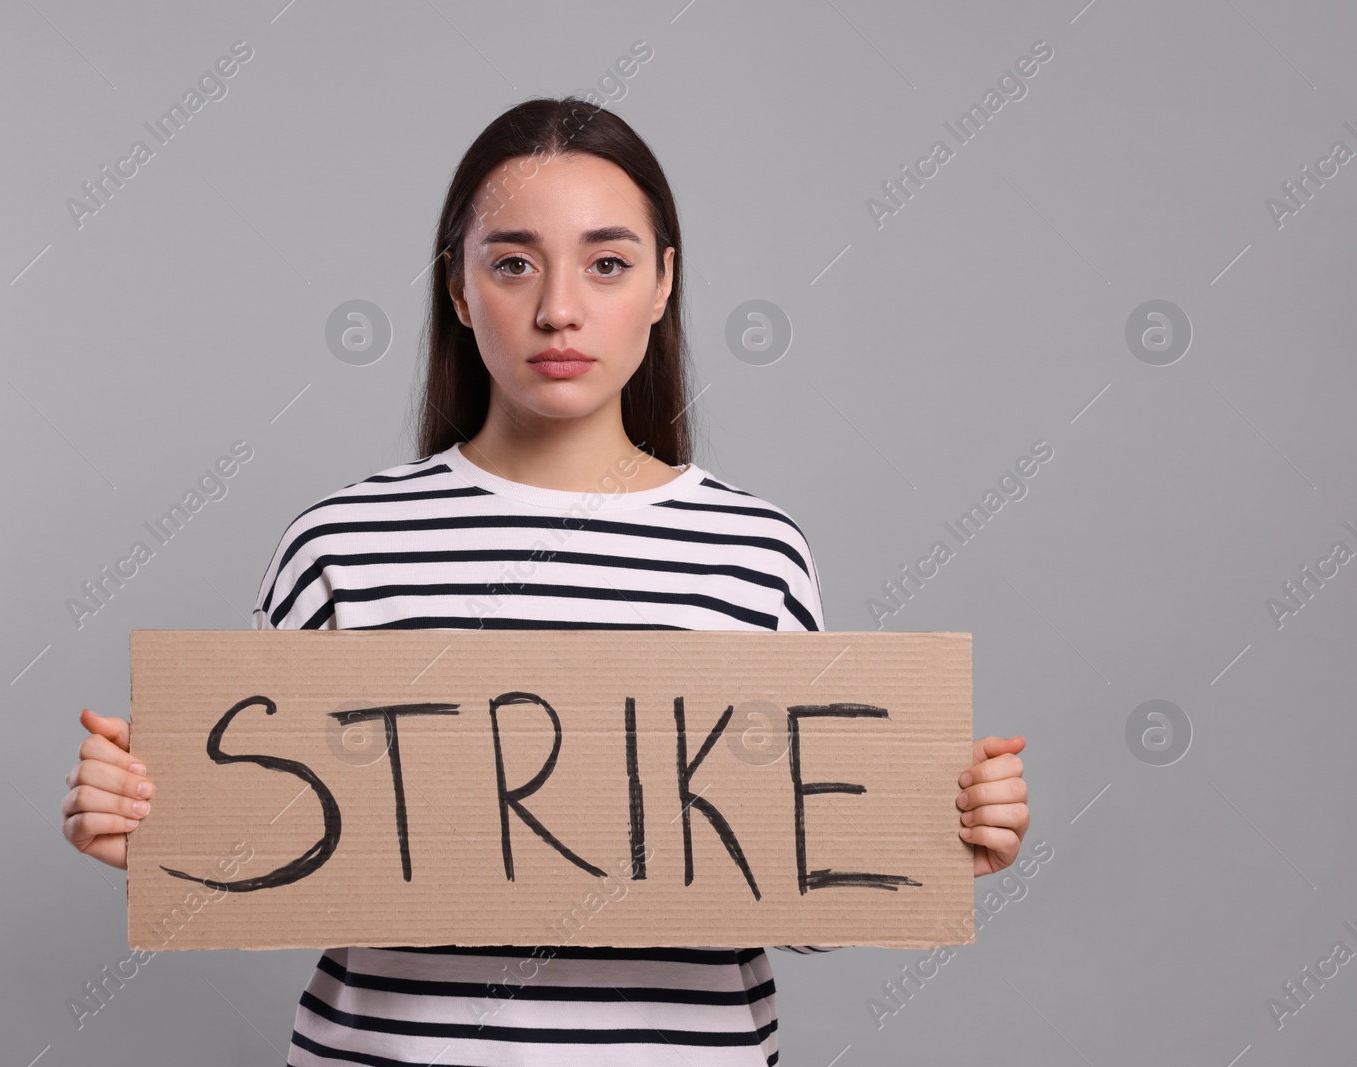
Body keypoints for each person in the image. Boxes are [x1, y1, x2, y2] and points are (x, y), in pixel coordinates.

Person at [61, 96, 1030, 1066]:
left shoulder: (753, 551)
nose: (558, 306)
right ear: (455, 287)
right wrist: (153, 823)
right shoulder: (341, 543)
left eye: (606, 263)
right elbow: (270, 854)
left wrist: (932, 830)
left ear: (662, 284)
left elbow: (795, 883)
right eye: (512, 261)